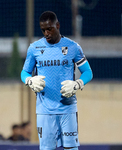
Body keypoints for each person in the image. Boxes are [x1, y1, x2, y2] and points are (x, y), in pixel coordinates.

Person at [21, 11, 93, 150]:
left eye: (49, 29)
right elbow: (24, 72)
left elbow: (88, 72)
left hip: (67, 108)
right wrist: (29, 81)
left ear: (58, 25)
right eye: (43, 30)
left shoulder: (73, 47)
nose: (46, 33)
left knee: (71, 149)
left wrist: (78, 83)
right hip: (44, 110)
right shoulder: (34, 48)